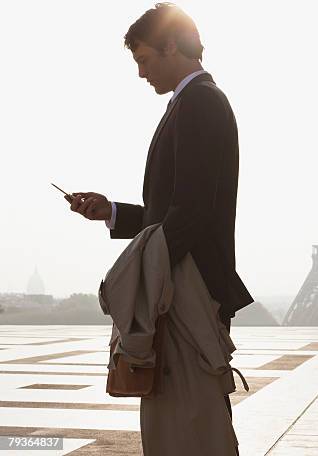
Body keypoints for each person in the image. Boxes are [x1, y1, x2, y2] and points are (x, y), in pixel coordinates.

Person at [67, 0, 253, 437]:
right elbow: (176, 211)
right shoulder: (191, 102)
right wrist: (111, 212)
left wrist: (142, 275)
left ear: (172, 45)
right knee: (184, 422)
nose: (140, 72)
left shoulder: (200, 103)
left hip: (188, 287)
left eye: (144, 59)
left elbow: (191, 213)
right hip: (183, 281)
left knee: (191, 424)